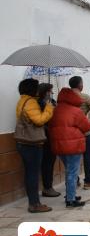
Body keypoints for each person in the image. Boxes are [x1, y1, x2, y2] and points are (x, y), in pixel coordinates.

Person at [15, 78, 55, 213]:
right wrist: (49, 108)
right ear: (32, 89)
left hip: (23, 142)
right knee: (32, 174)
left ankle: (34, 202)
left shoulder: (22, 100)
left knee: (30, 173)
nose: (39, 89)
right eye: (37, 87)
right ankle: (34, 204)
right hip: (31, 144)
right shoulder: (31, 102)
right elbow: (39, 120)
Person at [49, 87, 90, 208]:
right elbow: (87, 127)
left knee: (69, 171)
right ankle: (71, 200)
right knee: (72, 172)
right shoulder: (76, 111)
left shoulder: (55, 110)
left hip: (59, 146)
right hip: (73, 146)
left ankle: (70, 194)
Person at [38, 83, 61, 198]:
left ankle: (49, 186)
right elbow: (43, 120)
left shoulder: (51, 102)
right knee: (47, 163)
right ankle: (47, 187)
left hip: (52, 136)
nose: (52, 93)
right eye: (50, 91)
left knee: (50, 162)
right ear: (45, 92)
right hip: (45, 138)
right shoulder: (39, 104)